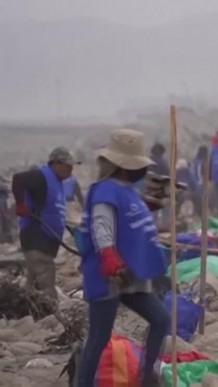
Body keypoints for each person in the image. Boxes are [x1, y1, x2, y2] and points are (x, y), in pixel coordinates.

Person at [75, 129, 169, 387]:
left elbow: (131, 218)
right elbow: (102, 227)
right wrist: (110, 258)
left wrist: (155, 201)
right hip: (109, 274)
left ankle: (147, 377)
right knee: (99, 337)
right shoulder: (105, 191)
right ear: (126, 166)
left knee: (161, 319)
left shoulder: (128, 190)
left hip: (131, 275)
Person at [11, 147, 77, 301]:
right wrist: (20, 204)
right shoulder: (41, 175)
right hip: (36, 236)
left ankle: (30, 311)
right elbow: (18, 179)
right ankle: (52, 312)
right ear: (57, 163)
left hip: (46, 240)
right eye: (68, 165)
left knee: (33, 283)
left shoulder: (58, 182)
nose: (71, 169)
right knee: (45, 280)